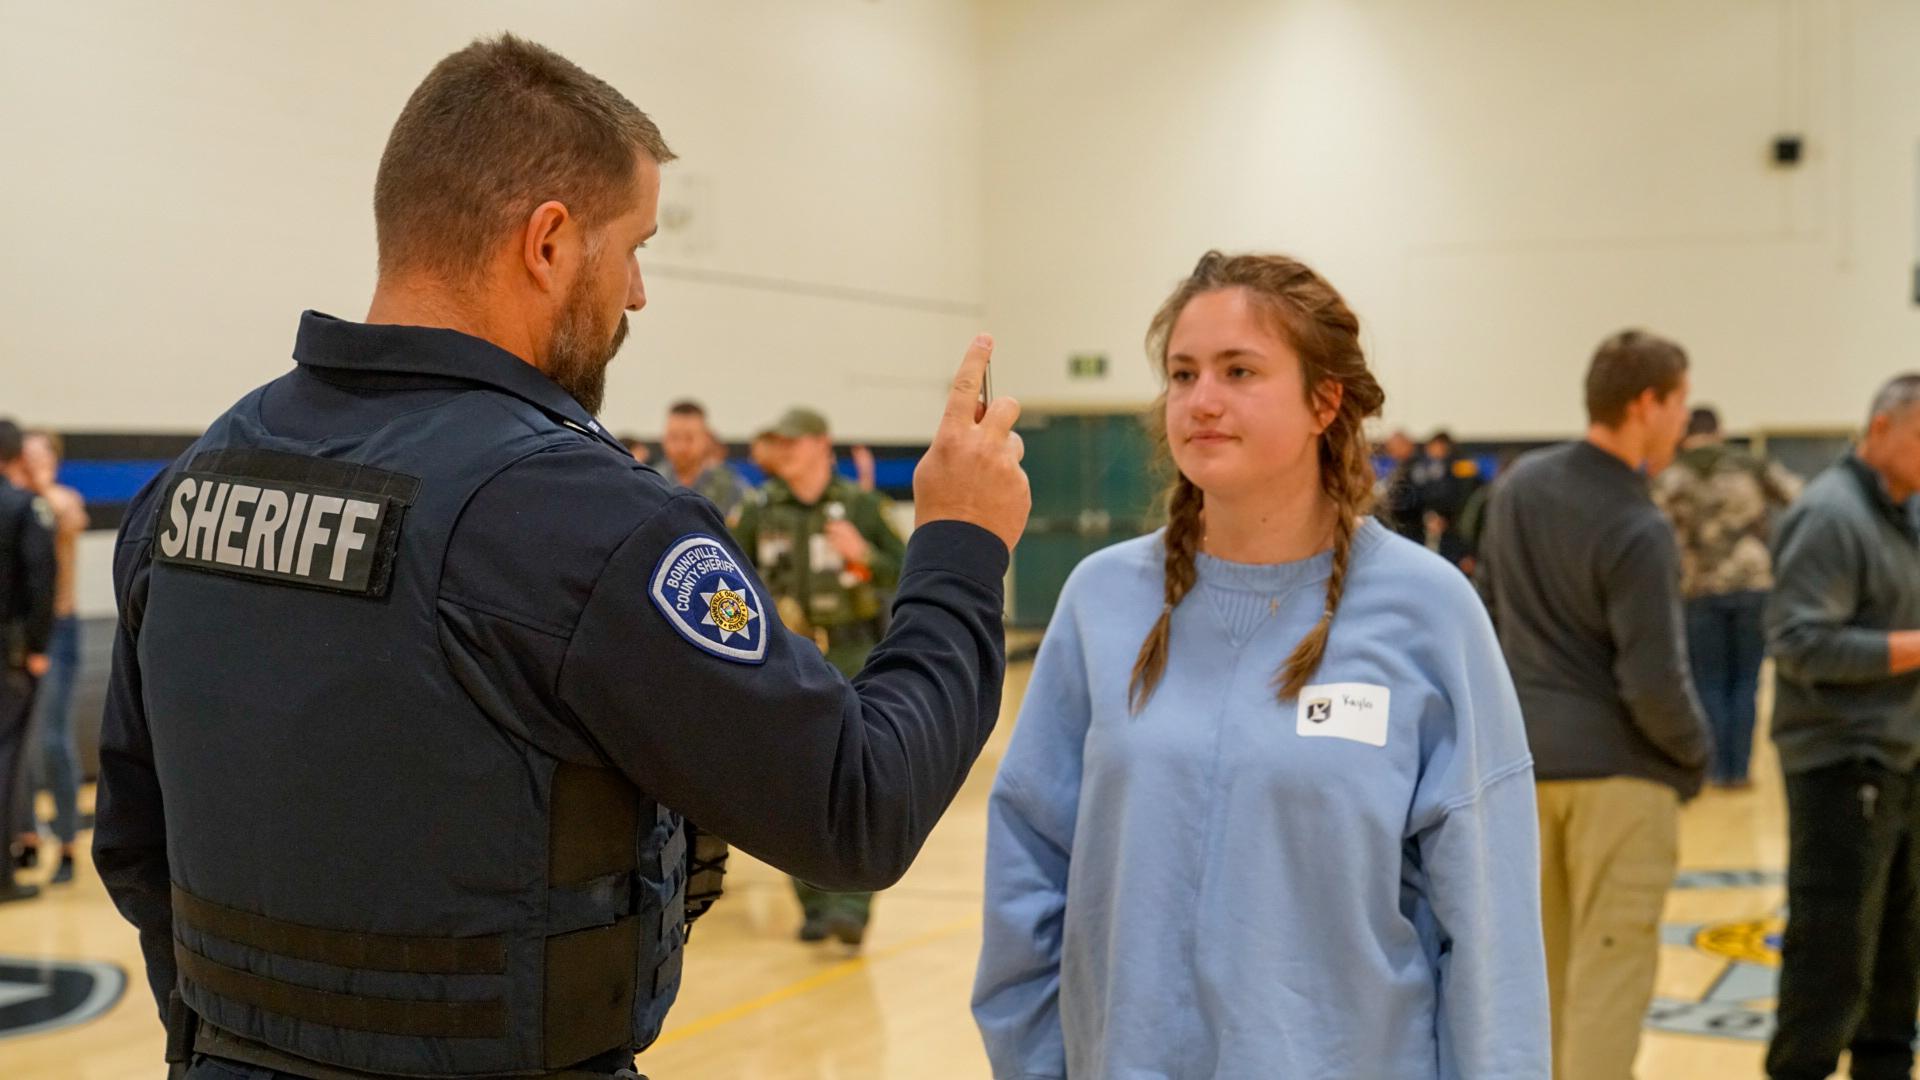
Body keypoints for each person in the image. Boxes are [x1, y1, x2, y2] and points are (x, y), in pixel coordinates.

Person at [92, 35, 1029, 1080]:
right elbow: (860, 804)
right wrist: (960, 545)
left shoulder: (194, 481)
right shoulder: (582, 522)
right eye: (633, 247)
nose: (636, 294)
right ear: (548, 243)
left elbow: (134, 842)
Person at [973, 252, 1548, 1078]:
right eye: (1182, 373)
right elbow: (1030, 871)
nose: (1201, 401)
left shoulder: (1428, 612)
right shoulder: (1101, 602)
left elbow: (1488, 938)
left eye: (1239, 371)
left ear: (1325, 400)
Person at [1474, 328, 1708, 1080]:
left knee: (1538, 992)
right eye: (1681, 404)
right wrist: (1696, 753)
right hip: (1619, 779)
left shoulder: (1518, 488)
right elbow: (1653, 682)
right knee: (1608, 991)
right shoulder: (1638, 526)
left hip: (1523, 773)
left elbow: (1487, 618)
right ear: (1646, 404)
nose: (1684, 422)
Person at [1764, 374, 1920, 1080]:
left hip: (1898, 756)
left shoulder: (1902, 513)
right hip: (1840, 760)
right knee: (1833, 958)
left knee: (1897, 958)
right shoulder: (1831, 514)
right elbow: (1799, 644)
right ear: (1879, 428)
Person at [731, 406, 906, 947]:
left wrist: (866, 556)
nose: (785, 452)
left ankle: (851, 904)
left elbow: (908, 571)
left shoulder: (861, 506)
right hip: (790, 658)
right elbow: (729, 580)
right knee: (794, 779)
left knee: (857, 775)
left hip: (853, 650)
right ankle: (810, 902)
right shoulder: (760, 511)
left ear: (821, 445)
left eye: (795, 442)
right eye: (778, 443)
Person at [1651, 406, 1800, 789]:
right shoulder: (1750, 466)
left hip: (1698, 588)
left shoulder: (1673, 475)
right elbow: (1801, 500)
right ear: (1720, 432)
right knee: (1747, 682)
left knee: (1708, 683)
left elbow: (1650, 529)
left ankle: (1713, 770)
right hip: (1753, 584)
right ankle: (1740, 771)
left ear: (1686, 434)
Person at [12, 430, 88, 883]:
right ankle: (26, 836)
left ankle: (66, 843)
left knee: (54, 740)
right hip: (22, 635)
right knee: (20, 746)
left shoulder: (59, 499)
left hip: (60, 632)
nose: (31, 459)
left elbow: (69, 519)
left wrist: (37, 485)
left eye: (39, 453)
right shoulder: (18, 504)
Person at [0, 419, 54, 904]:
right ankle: (2, 874)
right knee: (6, 759)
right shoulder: (24, 508)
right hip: (8, 655)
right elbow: (40, 583)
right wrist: (38, 648)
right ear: (16, 456)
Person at [660, 399, 747, 522]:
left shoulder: (730, 486)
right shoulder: (652, 483)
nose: (681, 447)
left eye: (689, 438)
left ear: (706, 439)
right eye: (673, 438)